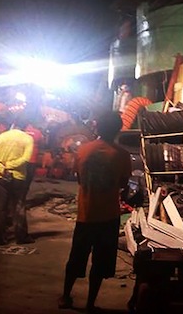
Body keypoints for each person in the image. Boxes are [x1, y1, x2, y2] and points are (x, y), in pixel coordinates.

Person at [58, 110, 131, 312]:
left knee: (76, 258)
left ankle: (65, 297)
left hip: (86, 215)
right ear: (118, 129)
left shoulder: (83, 151)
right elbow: (123, 184)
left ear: (97, 126)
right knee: (100, 263)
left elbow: (79, 178)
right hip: (108, 217)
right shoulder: (123, 156)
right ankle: (91, 303)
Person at [0, 115, 35, 245]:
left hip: (0, 176)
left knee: (0, 207)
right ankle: (21, 236)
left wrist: (2, 168)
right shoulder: (28, 139)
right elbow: (25, 158)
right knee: (18, 206)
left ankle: (0, 238)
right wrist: (11, 166)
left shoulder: (1, 137)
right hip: (19, 177)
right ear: (25, 126)